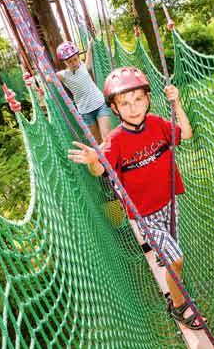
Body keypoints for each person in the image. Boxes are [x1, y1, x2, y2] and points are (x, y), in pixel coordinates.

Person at [67, 67, 205, 330]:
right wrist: (93, 160)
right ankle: (179, 307)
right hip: (144, 215)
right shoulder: (115, 141)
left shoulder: (156, 124)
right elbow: (99, 170)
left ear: (148, 99)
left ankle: (169, 271)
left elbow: (185, 134)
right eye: (125, 104)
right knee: (175, 259)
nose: (133, 109)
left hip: (169, 204)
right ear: (115, 110)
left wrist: (176, 103)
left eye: (138, 100)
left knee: (170, 257)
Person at [56, 40, 111, 143]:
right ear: (65, 62)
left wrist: (90, 45)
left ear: (78, 57)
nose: (73, 63)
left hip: (100, 105)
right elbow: (48, 78)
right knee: (98, 142)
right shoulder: (64, 75)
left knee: (107, 138)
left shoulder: (84, 66)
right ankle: (105, 159)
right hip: (85, 112)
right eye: (69, 62)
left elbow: (89, 55)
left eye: (75, 59)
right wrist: (41, 64)